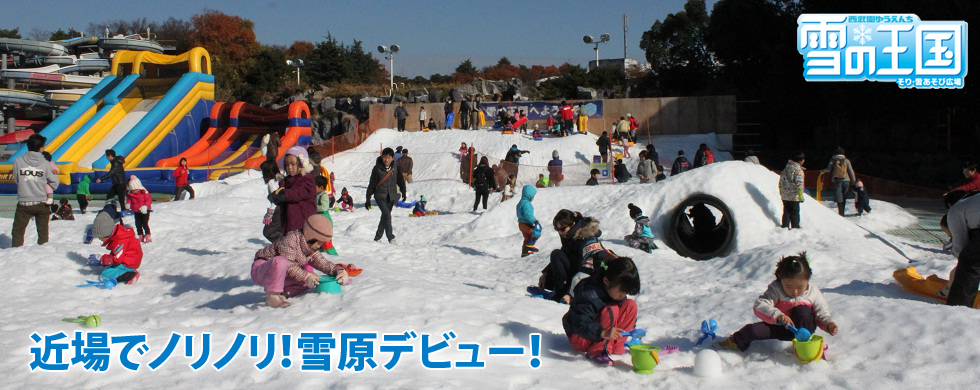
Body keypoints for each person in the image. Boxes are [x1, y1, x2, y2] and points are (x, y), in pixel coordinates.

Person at [716, 253, 838, 351]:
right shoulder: (776, 289)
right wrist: (778, 316)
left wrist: (828, 324)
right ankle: (736, 342)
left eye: (800, 287)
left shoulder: (813, 292)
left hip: (804, 329)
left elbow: (821, 311)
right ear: (780, 280)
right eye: (789, 287)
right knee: (752, 330)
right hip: (781, 327)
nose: (795, 292)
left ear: (807, 280)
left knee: (803, 311)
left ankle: (803, 346)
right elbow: (760, 305)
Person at [251, 214, 352, 308]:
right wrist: (305, 276)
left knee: (312, 280)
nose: (318, 246)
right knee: (282, 261)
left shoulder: (310, 249)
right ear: (310, 235)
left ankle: (284, 292)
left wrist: (340, 271)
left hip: (281, 275)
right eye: (318, 242)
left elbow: (323, 263)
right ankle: (273, 297)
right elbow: (289, 265)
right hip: (263, 269)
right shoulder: (290, 240)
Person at [563, 256, 641, 366]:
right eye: (620, 292)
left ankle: (616, 347)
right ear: (606, 281)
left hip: (603, 336)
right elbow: (579, 323)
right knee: (612, 309)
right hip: (581, 337)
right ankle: (598, 351)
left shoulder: (613, 292)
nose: (622, 296)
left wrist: (631, 329)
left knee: (630, 305)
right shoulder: (588, 292)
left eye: (625, 293)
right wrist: (602, 332)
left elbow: (623, 311)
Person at [539, 210, 598, 303]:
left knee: (560, 256)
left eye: (562, 229)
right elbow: (563, 254)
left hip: (586, 275)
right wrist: (545, 274)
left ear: (573, 224)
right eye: (557, 230)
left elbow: (586, 267)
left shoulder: (586, 238)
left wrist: (569, 293)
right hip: (573, 270)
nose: (561, 233)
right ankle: (559, 291)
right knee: (556, 254)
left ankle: (564, 294)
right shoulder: (569, 235)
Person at [11, 134, 59, 247]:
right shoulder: (46, 164)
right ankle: (42, 256)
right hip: (41, 202)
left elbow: (17, 179)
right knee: (42, 232)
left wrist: (25, 187)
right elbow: (54, 182)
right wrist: (46, 188)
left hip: (24, 202)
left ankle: (16, 254)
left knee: (18, 231)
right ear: (41, 147)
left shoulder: (18, 161)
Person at [267, 147, 317, 236]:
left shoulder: (307, 180)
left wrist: (284, 195)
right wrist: (276, 195)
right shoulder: (287, 180)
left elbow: (296, 192)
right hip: (289, 221)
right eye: (286, 164)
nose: (289, 167)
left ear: (302, 164)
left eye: (292, 164)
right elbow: (284, 191)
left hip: (302, 224)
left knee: (297, 246)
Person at [89, 208, 143, 285]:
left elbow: (116, 258)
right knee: (108, 271)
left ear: (106, 234)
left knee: (106, 275)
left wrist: (101, 259)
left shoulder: (120, 241)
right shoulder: (117, 237)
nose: (100, 239)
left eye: (100, 237)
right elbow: (116, 255)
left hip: (129, 263)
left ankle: (130, 275)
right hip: (125, 260)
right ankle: (125, 271)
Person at [944, 194, 980, 307]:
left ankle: (958, 310)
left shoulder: (954, 211)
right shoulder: (971, 202)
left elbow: (960, 248)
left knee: (969, 263)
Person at [366, 147, 407, 244]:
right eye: (385, 157)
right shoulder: (377, 168)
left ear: (393, 158)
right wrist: (368, 198)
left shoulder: (395, 167)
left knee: (385, 216)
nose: (386, 160)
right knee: (387, 215)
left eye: (389, 158)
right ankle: (391, 238)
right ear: (382, 157)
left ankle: (377, 238)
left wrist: (404, 192)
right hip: (380, 195)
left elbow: (400, 180)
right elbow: (372, 184)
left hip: (391, 195)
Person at [822, 147, 856, 216]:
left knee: (839, 197)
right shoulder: (846, 160)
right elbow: (851, 171)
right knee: (844, 196)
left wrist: (822, 171)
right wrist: (853, 181)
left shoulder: (833, 159)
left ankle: (840, 213)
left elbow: (829, 169)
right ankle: (843, 212)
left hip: (837, 180)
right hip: (846, 180)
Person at [779, 152, 806, 230]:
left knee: (786, 211)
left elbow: (781, 181)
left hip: (785, 195)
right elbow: (799, 183)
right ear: (800, 161)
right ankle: (795, 227)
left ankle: (785, 226)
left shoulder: (785, 168)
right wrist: (800, 194)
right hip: (794, 195)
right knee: (795, 212)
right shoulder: (798, 170)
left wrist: (781, 191)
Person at [127, 176, 153, 243]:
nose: (134, 191)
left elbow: (149, 200)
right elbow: (129, 200)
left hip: (145, 211)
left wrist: (146, 206)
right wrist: (128, 203)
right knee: (138, 224)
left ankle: (148, 235)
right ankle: (141, 235)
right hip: (136, 211)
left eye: (135, 189)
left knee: (144, 223)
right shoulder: (131, 194)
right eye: (132, 190)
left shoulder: (144, 193)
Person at [517, 185, 539, 257]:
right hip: (526, 224)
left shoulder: (520, 202)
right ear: (529, 195)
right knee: (536, 233)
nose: (533, 198)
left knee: (527, 238)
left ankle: (524, 252)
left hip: (521, 224)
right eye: (532, 196)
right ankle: (529, 246)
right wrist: (534, 221)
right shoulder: (527, 204)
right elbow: (528, 215)